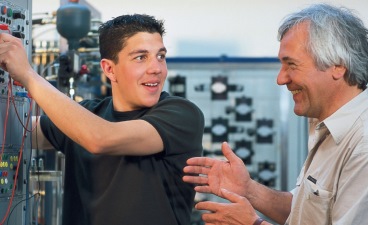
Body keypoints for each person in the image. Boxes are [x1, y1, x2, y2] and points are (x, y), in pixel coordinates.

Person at [0, 14, 205, 225]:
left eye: (160, 56)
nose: (157, 68)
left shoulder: (182, 114)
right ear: (109, 69)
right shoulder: (88, 114)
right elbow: (16, 129)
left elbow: (101, 138)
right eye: (141, 57)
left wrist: (27, 75)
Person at [183, 3, 368, 225]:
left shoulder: (362, 145)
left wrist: (253, 223)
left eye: (291, 65)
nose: (281, 79)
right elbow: (304, 212)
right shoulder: (327, 128)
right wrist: (248, 190)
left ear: (338, 65)